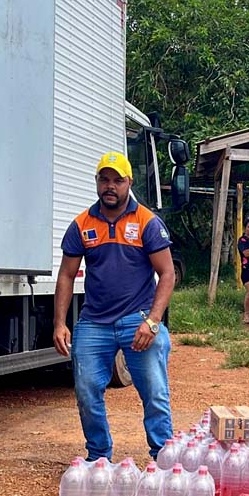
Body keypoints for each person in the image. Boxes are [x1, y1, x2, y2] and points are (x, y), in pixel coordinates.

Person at [53, 152, 175, 461]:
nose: (111, 186)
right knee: (87, 391)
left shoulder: (146, 222)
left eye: (118, 180)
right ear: (96, 182)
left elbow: (168, 273)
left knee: (154, 393)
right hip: (94, 322)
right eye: (104, 179)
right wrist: (59, 323)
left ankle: (163, 460)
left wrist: (153, 321)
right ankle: (98, 459)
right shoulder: (81, 224)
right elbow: (66, 274)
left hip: (139, 319)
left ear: (129, 183)